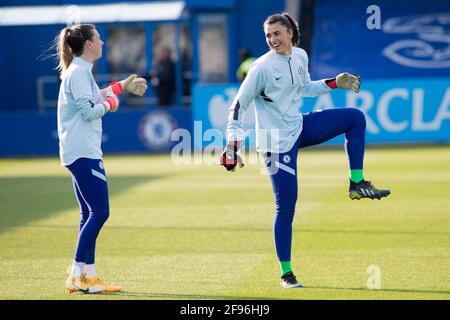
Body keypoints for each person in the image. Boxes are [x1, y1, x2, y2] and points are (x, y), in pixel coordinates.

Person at [220, 13, 390, 289]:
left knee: (355, 118)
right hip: (275, 145)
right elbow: (238, 105)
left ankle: (357, 183)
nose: (272, 39)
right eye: (268, 35)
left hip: (298, 127)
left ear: (290, 32)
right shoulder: (261, 68)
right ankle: (286, 274)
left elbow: (304, 87)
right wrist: (232, 143)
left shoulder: (300, 56)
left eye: (277, 33)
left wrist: (334, 83)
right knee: (286, 207)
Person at [56, 24, 147, 294]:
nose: (103, 42)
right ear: (88, 44)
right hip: (83, 152)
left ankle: (89, 277)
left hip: (80, 151)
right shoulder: (79, 73)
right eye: (98, 39)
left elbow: (93, 98)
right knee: (101, 212)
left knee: (89, 214)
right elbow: (89, 111)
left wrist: (121, 87)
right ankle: (75, 274)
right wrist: (112, 103)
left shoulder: (81, 71)